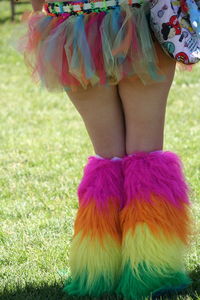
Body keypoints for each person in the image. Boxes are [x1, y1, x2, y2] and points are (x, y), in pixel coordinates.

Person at [13, 0, 192, 298]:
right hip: (140, 20)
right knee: (145, 154)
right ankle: (151, 270)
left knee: (106, 158)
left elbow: (37, 2)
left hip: (73, 28)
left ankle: (99, 270)